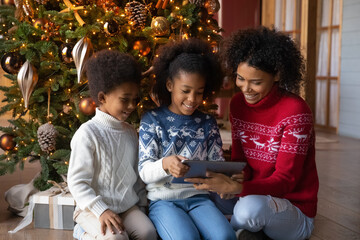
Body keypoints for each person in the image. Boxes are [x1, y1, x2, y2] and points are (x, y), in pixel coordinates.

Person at [186, 27, 319, 240]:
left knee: (249, 209)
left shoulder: (295, 111)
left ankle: (233, 231)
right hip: (250, 192)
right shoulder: (238, 104)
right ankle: (245, 232)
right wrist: (232, 178)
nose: (245, 89)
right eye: (240, 78)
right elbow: (241, 162)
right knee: (201, 190)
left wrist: (237, 187)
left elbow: (286, 181)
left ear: (276, 75)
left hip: (292, 208)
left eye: (256, 82)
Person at [138, 38, 236, 240]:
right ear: (169, 85)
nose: (192, 99)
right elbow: (144, 171)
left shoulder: (207, 122)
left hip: (200, 199)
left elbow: (217, 165)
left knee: (225, 237)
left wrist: (224, 183)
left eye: (199, 92)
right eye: (185, 91)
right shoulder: (152, 120)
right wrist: (165, 164)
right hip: (163, 201)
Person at [67, 50, 157, 240]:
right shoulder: (87, 134)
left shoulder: (131, 133)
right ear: (102, 98)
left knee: (148, 232)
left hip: (126, 207)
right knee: (117, 238)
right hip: (92, 209)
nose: (132, 106)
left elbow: (137, 175)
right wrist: (101, 210)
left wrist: (141, 206)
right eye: (125, 100)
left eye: (135, 100)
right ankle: (82, 233)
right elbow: (77, 182)